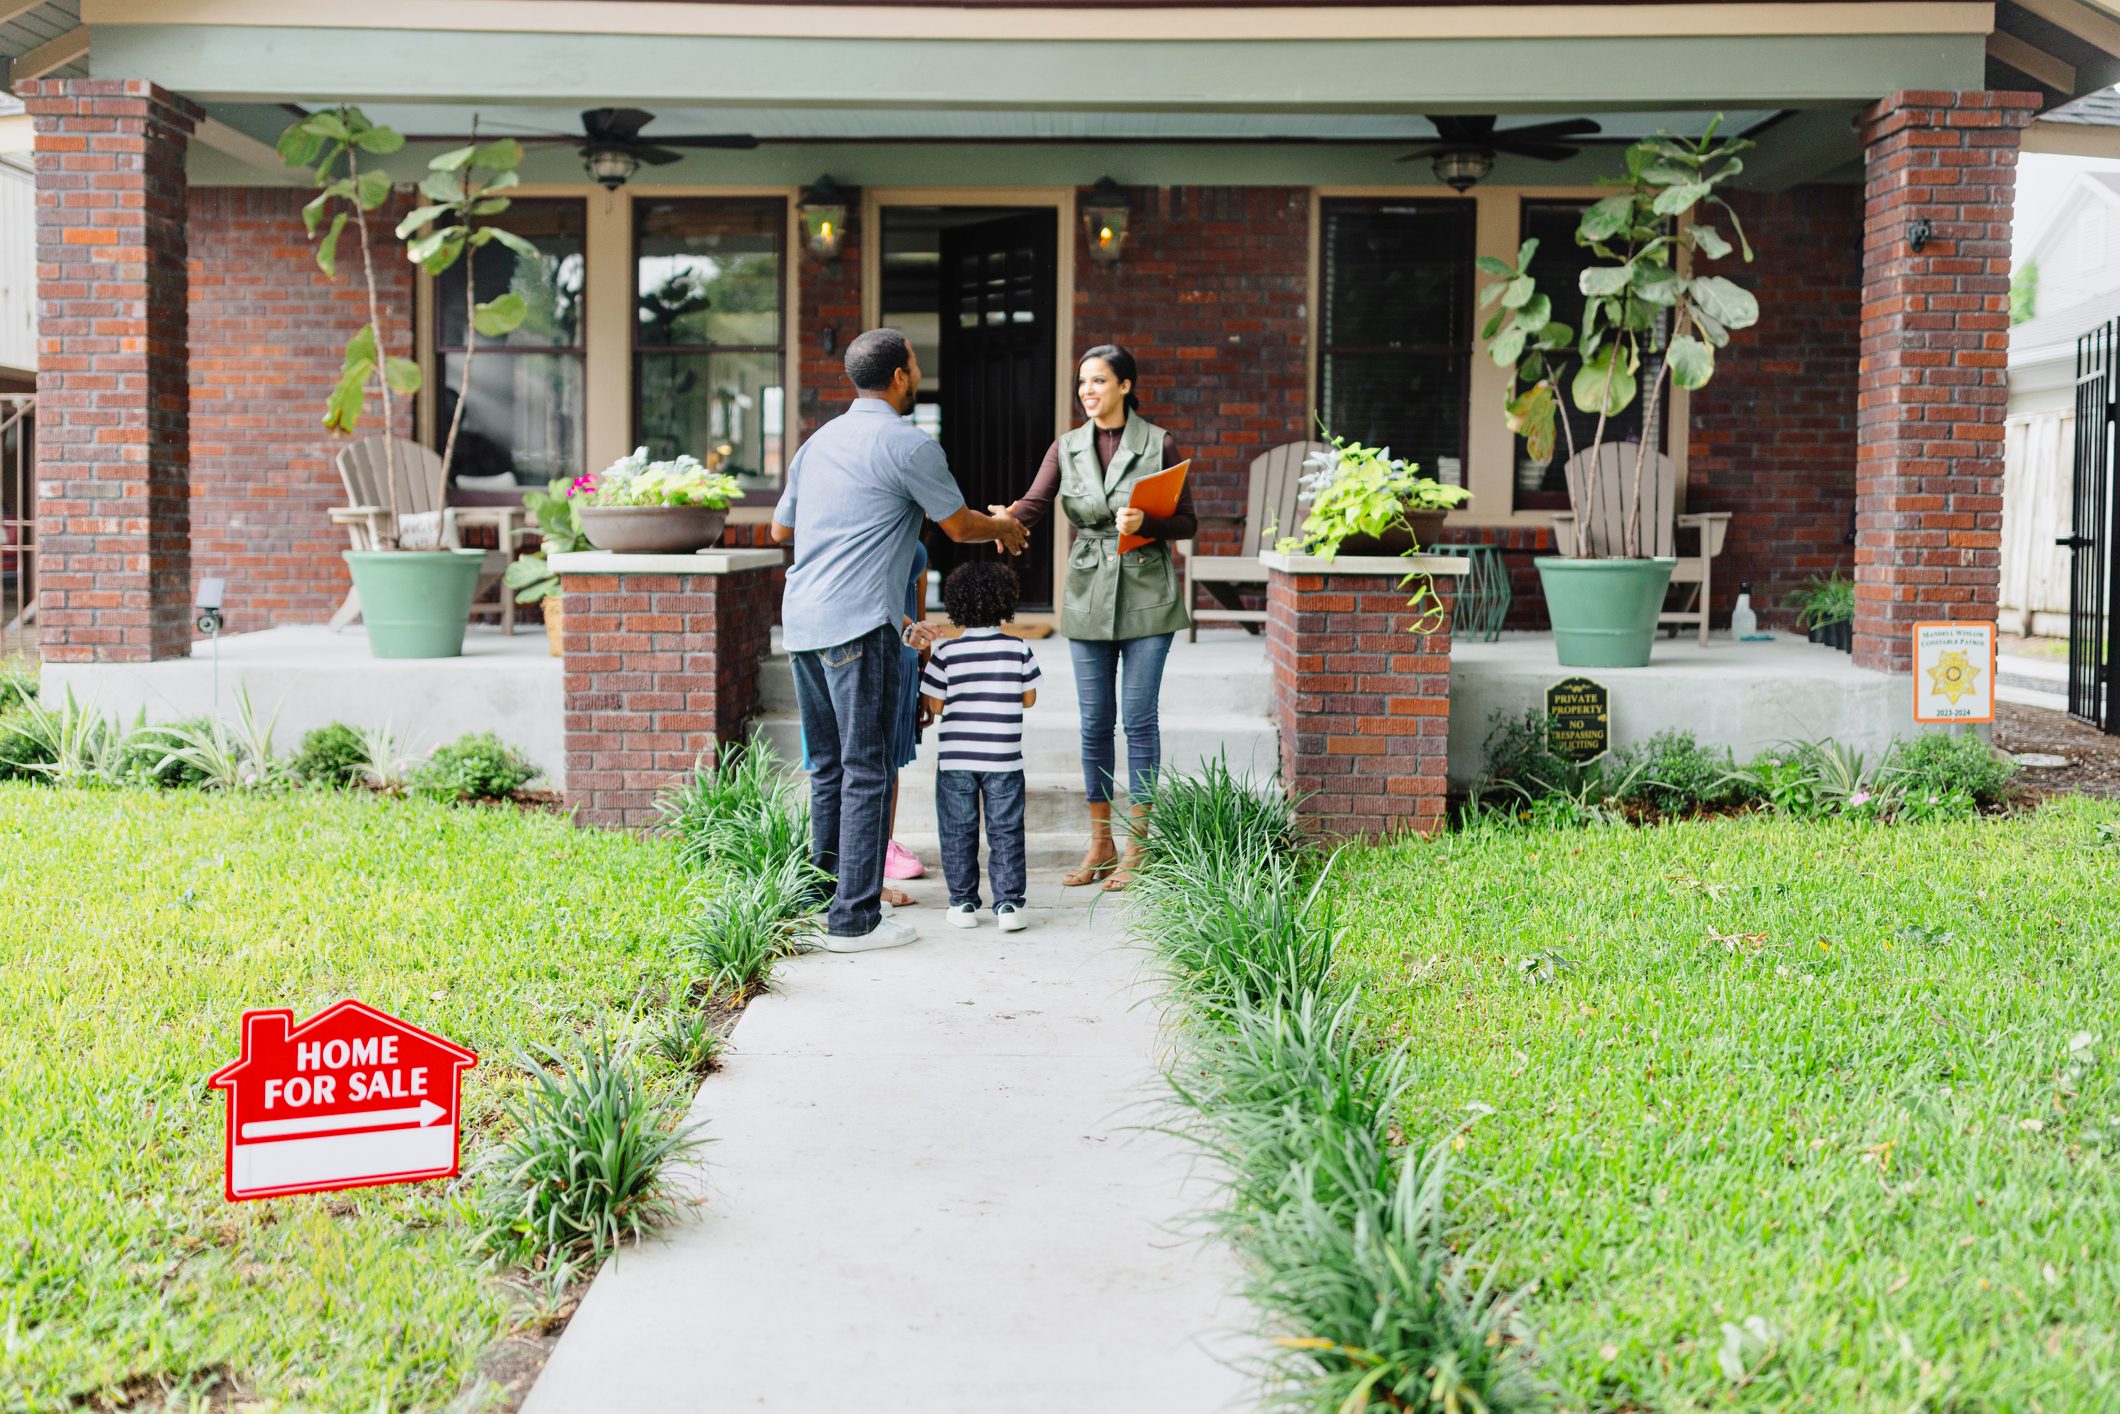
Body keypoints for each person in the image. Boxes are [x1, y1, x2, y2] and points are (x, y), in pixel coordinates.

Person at [772, 329, 1027, 951]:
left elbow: (781, 531)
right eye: (915, 365)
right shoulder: (909, 444)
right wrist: (1005, 527)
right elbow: (960, 526)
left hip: (803, 622)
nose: (918, 374)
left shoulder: (817, 443)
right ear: (898, 377)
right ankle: (855, 921)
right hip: (859, 625)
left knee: (828, 766)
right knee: (868, 768)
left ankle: (823, 902)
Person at [998, 344, 1194, 891]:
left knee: (1139, 720)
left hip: (1148, 591)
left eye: (1099, 381)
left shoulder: (1159, 443)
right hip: (1087, 590)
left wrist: (1148, 522)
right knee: (1094, 723)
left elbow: (1188, 523)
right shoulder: (1066, 447)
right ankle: (1101, 843)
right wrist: (1001, 521)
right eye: (1083, 381)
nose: (1087, 390)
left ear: (1125, 386)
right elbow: (1033, 505)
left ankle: (1139, 846)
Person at [920, 560, 1040, 933]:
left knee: (958, 830)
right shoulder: (1018, 648)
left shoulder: (945, 653)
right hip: (1004, 758)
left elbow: (935, 706)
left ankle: (962, 903)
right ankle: (1009, 905)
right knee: (1006, 830)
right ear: (1006, 602)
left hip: (956, 758)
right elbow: (1029, 698)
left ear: (955, 605)